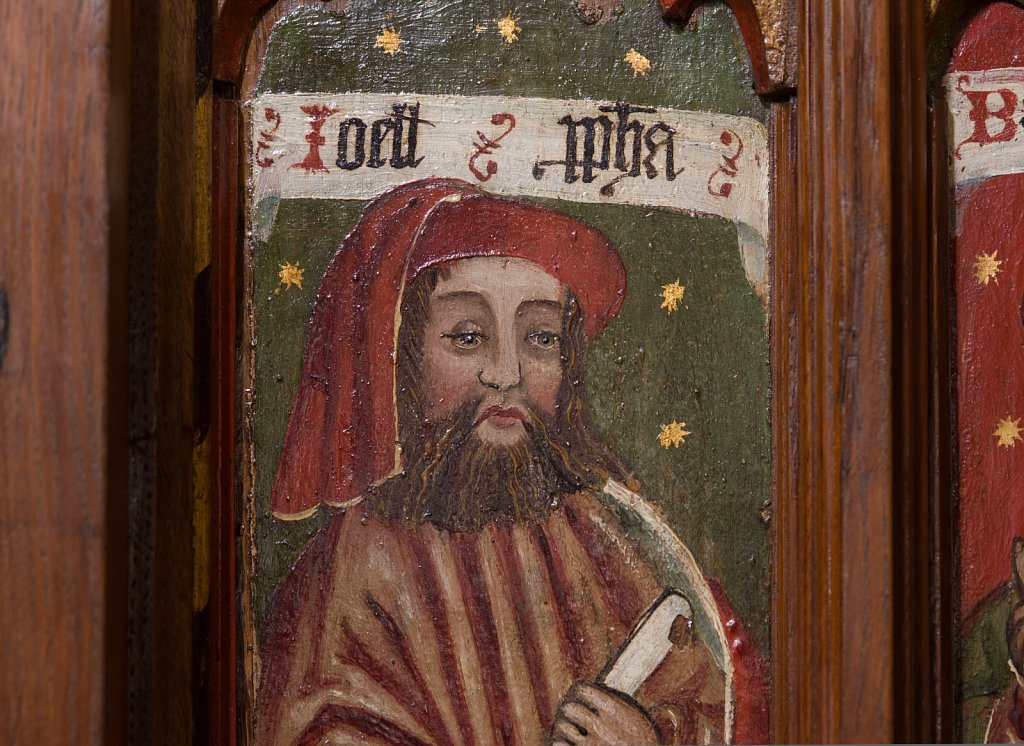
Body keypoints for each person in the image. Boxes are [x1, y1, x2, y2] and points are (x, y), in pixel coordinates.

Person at [257, 178, 767, 745]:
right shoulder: (348, 574)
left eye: (542, 337)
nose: (506, 373)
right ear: (403, 360)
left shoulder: (600, 535)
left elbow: (712, 708)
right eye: (468, 336)